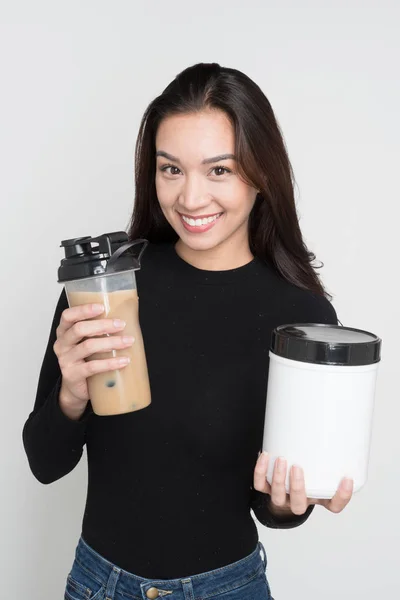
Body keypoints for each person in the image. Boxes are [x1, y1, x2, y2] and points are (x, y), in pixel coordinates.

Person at [22, 62, 353, 600]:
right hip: (99, 585)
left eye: (219, 170)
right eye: (170, 169)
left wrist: (288, 500)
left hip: (230, 587)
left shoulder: (301, 316)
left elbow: (270, 508)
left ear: (260, 172)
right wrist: (71, 394)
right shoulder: (109, 287)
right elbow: (44, 462)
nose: (190, 198)